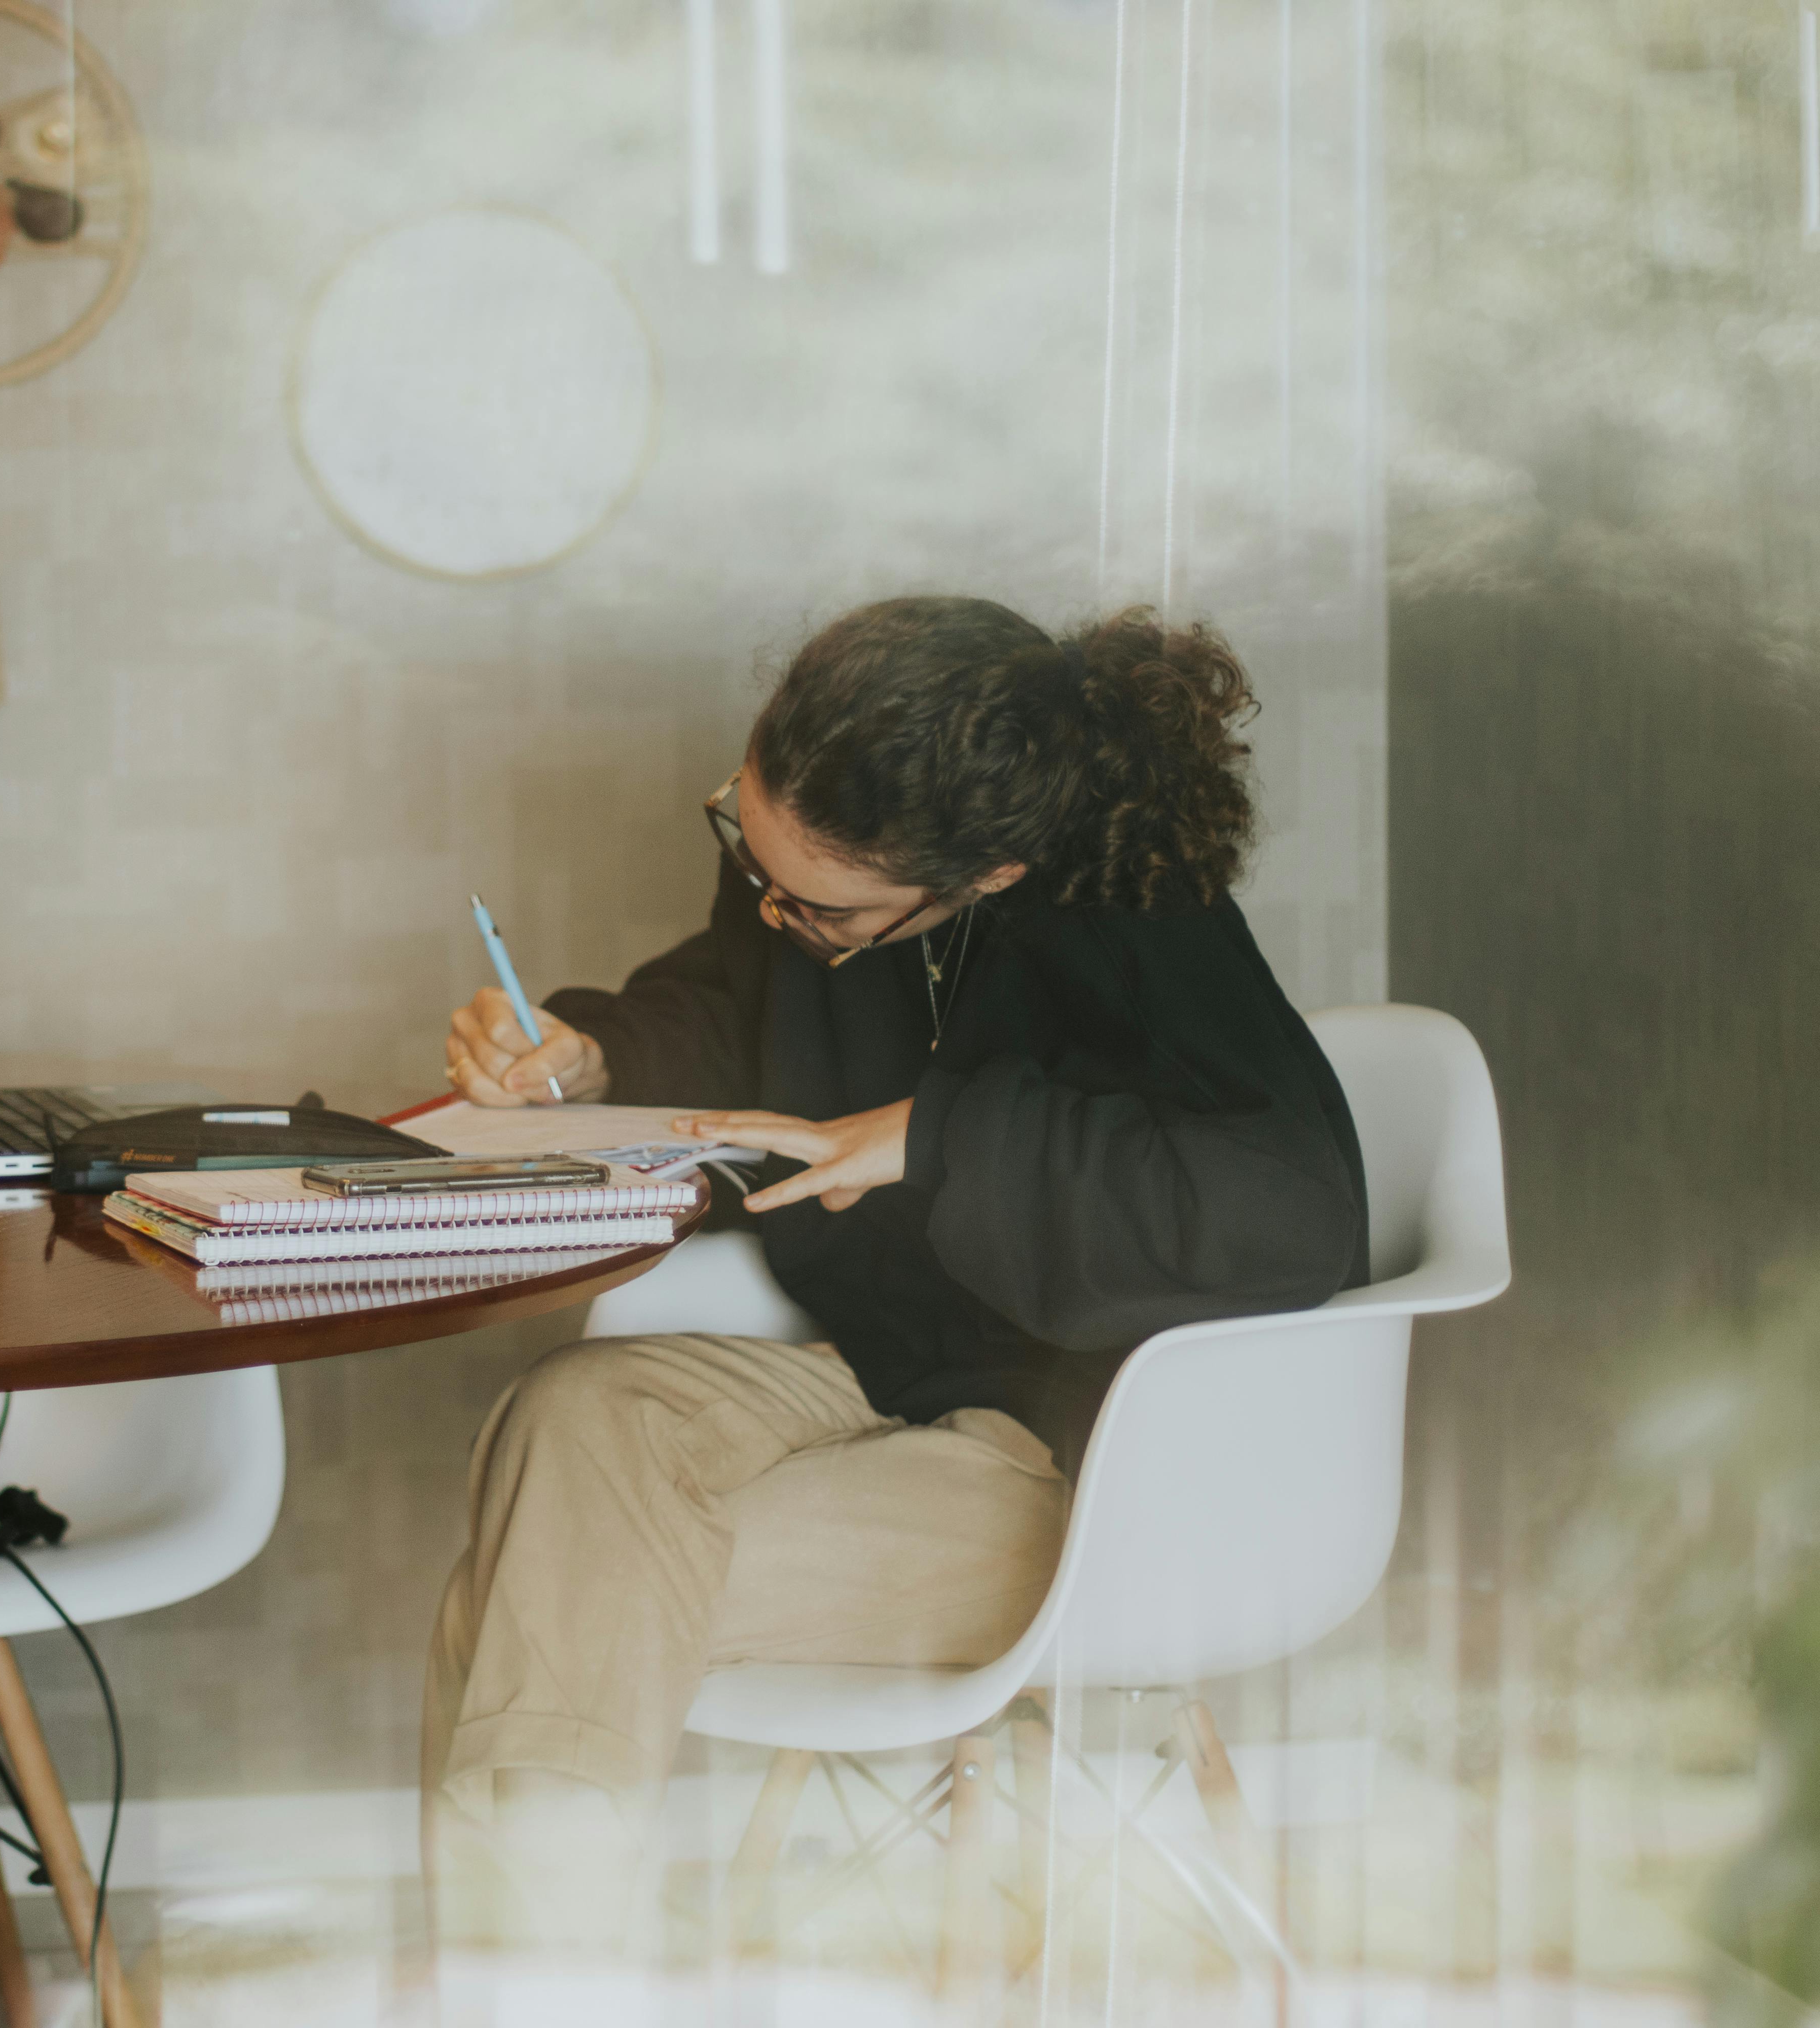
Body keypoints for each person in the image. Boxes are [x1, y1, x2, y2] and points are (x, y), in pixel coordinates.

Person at [419, 596, 1370, 1961]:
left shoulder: (1140, 921)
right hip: (884, 1379)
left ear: (985, 879)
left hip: (1091, 1464)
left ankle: (526, 1988)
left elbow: (1296, 1210)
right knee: (569, 1415)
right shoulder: (806, 878)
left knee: (524, 1593)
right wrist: (592, 1052)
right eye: (745, 847)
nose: (771, 906)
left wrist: (939, 1134)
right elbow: (739, 995)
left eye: (819, 906)